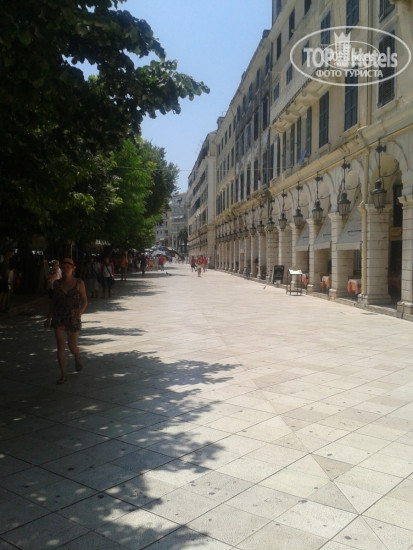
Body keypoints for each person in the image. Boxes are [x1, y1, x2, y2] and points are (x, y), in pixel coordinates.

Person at [44, 258, 87, 384]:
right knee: (60, 347)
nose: (65, 269)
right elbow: (53, 301)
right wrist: (49, 317)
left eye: (68, 267)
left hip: (73, 318)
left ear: (73, 268)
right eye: (63, 267)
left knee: (72, 346)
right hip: (58, 317)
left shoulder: (79, 282)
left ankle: (76, 356)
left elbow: (84, 300)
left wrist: (79, 313)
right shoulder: (57, 284)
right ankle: (63, 375)